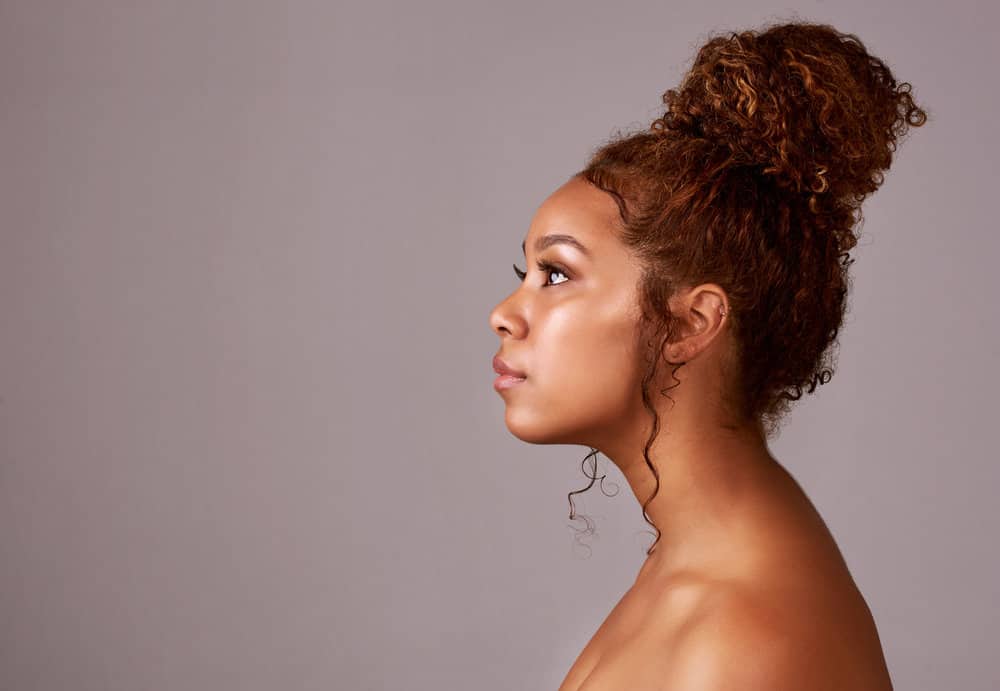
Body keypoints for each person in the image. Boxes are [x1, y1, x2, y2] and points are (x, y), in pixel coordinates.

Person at [488, 20, 927, 691]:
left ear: (691, 322)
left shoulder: (744, 638)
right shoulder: (689, 563)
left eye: (555, 274)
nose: (504, 314)